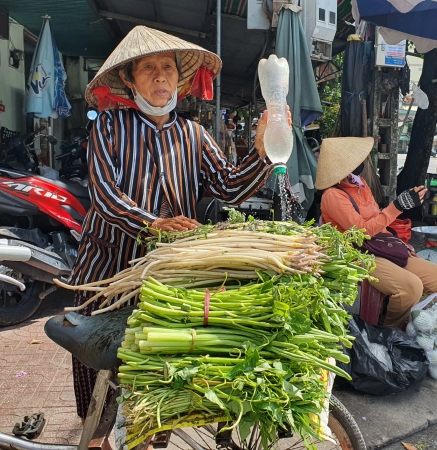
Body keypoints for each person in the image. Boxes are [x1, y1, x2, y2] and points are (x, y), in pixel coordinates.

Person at [72, 26, 284, 419]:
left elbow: (229, 187)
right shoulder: (109, 126)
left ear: (178, 78)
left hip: (167, 277)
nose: (160, 76)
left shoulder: (193, 134)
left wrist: (261, 152)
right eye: (148, 68)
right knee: (99, 376)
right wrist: (153, 224)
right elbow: (104, 196)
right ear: (128, 78)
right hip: (107, 269)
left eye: (167, 67)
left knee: (160, 377)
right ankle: (97, 432)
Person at [316, 137, 437, 329]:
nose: (362, 162)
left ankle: (422, 325)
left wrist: (400, 245)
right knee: (411, 287)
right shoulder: (332, 196)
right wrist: (397, 206)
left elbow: (379, 220)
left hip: (381, 247)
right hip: (358, 254)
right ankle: (391, 332)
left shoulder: (360, 184)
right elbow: (362, 231)